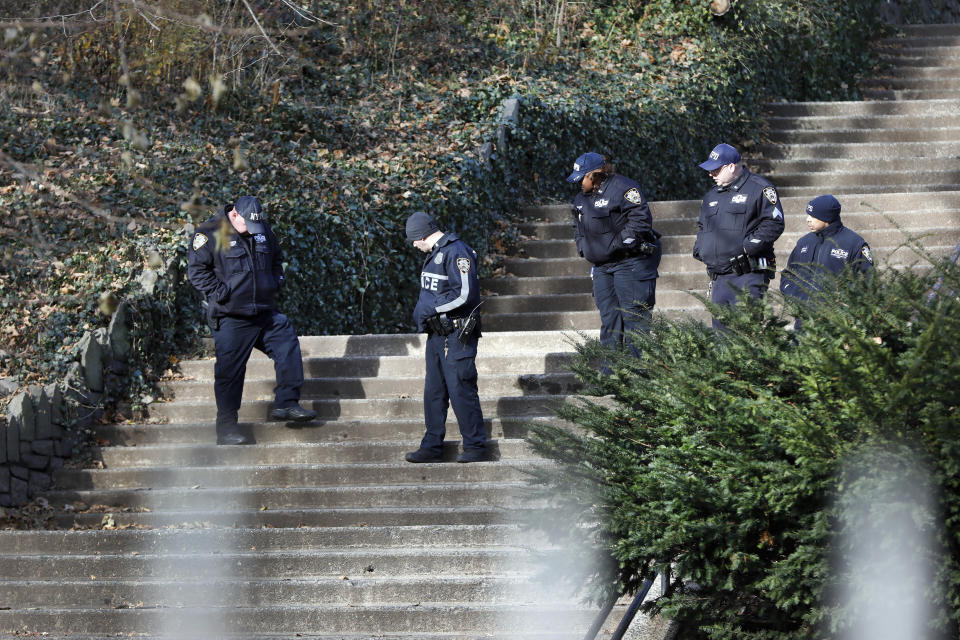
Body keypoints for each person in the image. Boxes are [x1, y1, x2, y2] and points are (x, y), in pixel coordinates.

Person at [187, 195, 317, 445]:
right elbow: (197, 272)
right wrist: (221, 294)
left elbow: (277, 259)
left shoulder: (261, 229)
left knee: (287, 342)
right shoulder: (208, 234)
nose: (252, 230)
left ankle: (286, 404)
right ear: (234, 215)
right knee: (229, 373)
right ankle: (226, 429)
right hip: (231, 316)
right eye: (247, 224)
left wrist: (275, 282)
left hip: (264, 311)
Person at [403, 211, 488, 464]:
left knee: (461, 387)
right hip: (437, 334)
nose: (414, 245)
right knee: (434, 391)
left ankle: (475, 446)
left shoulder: (457, 252)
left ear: (422, 235)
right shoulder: (434, 255)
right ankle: (432, 446)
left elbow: (465, 294)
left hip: (457, 334)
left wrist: (431, 309)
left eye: (414, 239)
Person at [566, 152, 662, 356]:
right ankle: (611, 377)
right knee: (609, 320)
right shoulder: (580, 199)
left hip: (630, 263)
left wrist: (613, 246)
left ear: (595, 174)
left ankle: (638, 378)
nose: (579, 183)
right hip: (602, 268)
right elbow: (577, 227)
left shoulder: (625, 188)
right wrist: (583, 247)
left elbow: (640, 222)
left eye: (583, 178)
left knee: (635, 320)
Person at [693, 143, 785, 329]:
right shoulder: (712, 195)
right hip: (719, 276)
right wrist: (700, 249)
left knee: (745, 334)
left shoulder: (760, 188)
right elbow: (703, 226)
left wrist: (747, 247)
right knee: (722, 338)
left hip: (747, 274)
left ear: (731, 167)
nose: (711, 174)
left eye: (716, 170)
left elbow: (774, 222)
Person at [780, 194, 874, 303]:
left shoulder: (854, 244)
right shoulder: (804, 242)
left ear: (826, 218)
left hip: (836, 317)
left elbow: (868, 281)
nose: (808, 219)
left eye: (813, 216)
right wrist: (792, 294)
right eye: (808, 215)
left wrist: (844, 302)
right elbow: (789, 273)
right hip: (803, 315)